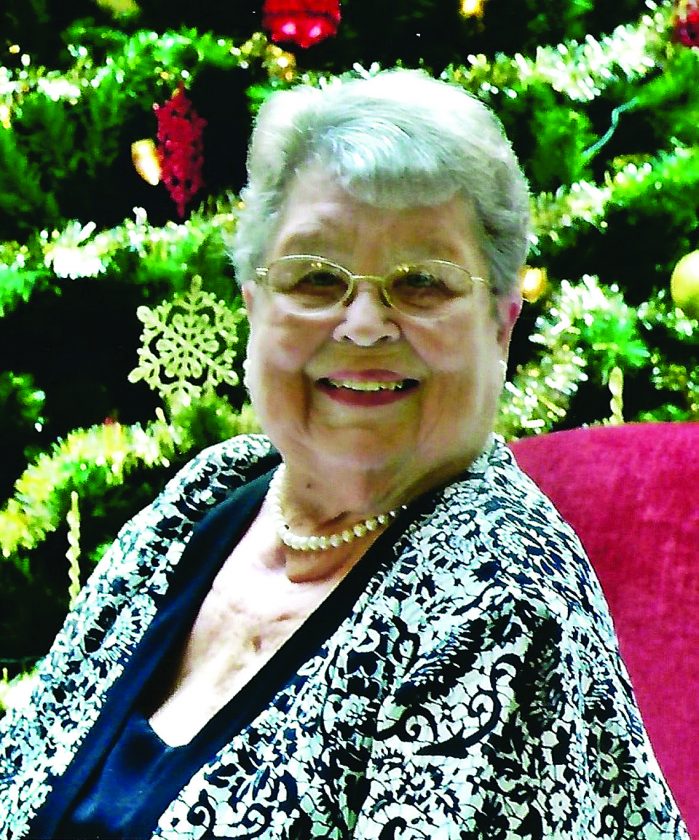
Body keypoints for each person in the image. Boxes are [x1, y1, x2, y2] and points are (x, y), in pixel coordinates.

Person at [0, 70, 688, 839]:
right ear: (255, 306)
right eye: (316, 278)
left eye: (420, 283)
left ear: (499, 325)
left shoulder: (498, 597)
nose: (363, 326)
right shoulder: (208, 498)